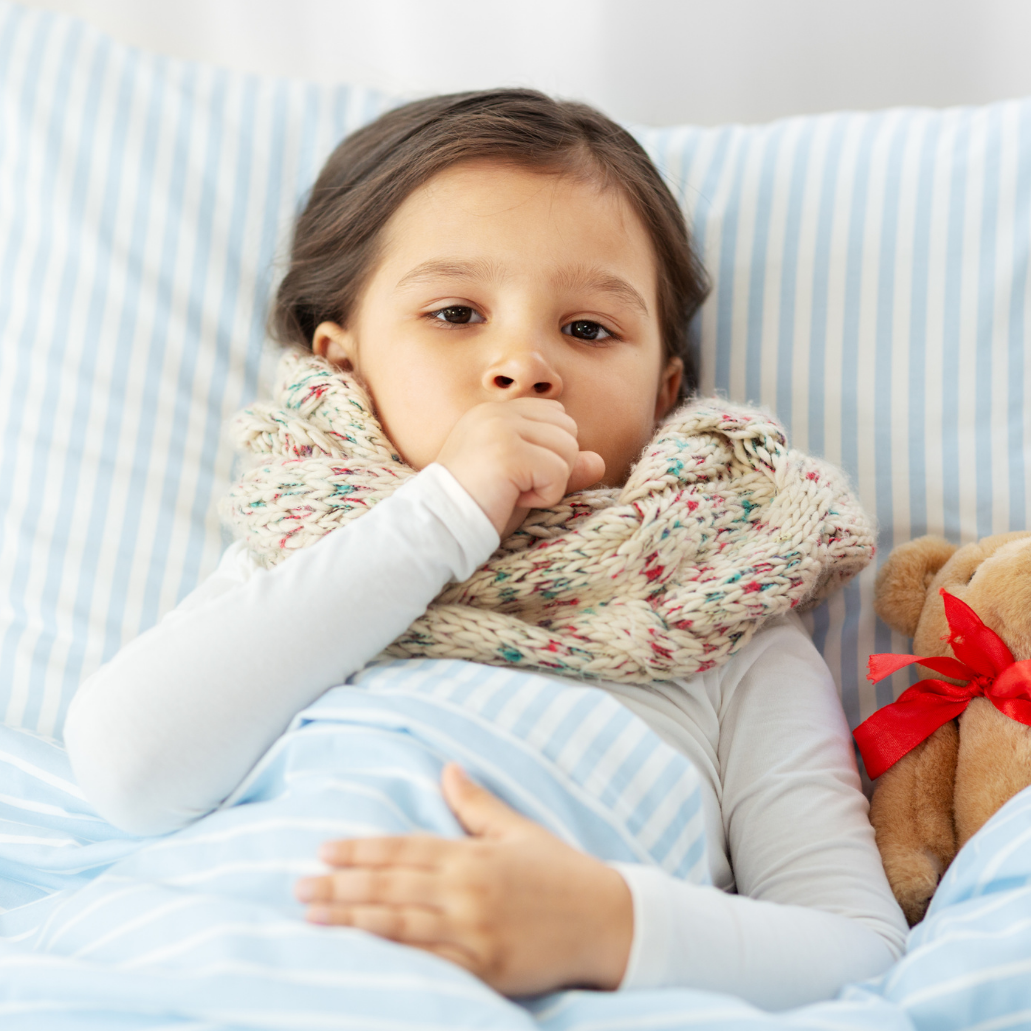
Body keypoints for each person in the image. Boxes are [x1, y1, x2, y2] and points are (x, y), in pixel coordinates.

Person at [63, 89, 907, 1009]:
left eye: (587, 329)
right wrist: (443, 516)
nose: (522, 364)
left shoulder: (724, 620)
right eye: (455, 313)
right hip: (202, 958)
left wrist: (613, 926)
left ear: (664, 396)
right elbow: (128, 771)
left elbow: (857, 949)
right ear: (343, 360)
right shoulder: (307, 558)